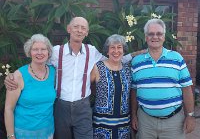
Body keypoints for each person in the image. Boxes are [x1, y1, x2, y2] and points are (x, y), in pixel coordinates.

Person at [4, 17, 143, 139]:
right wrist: (13, 76)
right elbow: (37, 63)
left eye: (83, 28)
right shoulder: (56, 52)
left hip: (83, 107)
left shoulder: (91, 51)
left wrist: (136, 53)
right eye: (76, 26)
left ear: (87, 32)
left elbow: (114, 60)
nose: (79, 30)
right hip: (60, 107)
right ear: (69, 29)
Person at [131, 18, 195, 139]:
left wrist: (190, 115)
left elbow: (186, 89)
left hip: (174, 122)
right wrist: (134, 115)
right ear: (146, 37)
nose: (155, 37)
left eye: (159, 34)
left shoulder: (177, 58)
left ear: (164, 37)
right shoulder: (136, 62)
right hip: (145, 122)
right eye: (151, 34)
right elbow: (134, 90)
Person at [4, 34, 56, 139]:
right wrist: (11, 136)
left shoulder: (54, 72)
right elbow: (8, 109)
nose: (39, 52)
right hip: (23, 133)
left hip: (48, 132)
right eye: (35, 49)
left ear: (48, 52)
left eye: (43, 49)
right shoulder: (18, 76)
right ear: (29, 52)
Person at [91, 34, 132, 139]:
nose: (116, 51)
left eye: (119, 47)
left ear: (123, 51)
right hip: (102, 124)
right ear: (107, 51)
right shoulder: (98, 67)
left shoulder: (127, 69)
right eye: (112, 47)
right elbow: (86, 88)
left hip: (123, 124)